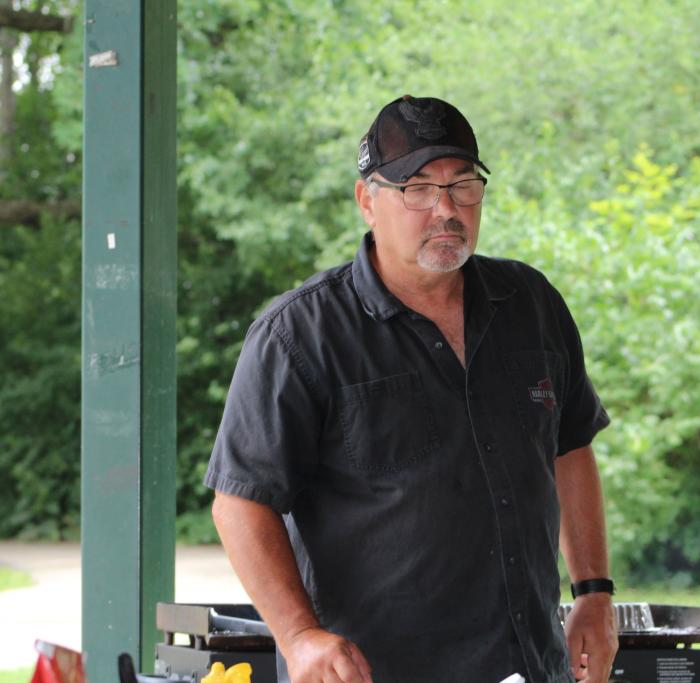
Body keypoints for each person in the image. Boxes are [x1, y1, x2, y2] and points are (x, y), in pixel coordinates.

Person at [205, 94, 618, 683]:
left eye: (463, 185)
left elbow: (570, 447)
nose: (445, 209)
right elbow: (241, 502)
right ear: (366, 201)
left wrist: (594, 591)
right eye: (417, 189)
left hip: (529, 664)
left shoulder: (532, 304)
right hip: (373, 671)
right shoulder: (299, 335)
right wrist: (299, 638)